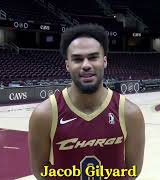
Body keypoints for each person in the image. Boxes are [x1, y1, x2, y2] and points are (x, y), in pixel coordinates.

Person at [28, 24, 145, 180]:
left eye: (93, 57)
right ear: (67, 65)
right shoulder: (44, 115)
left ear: (104, 61)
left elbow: (132, 171)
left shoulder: (130, 113)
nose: (86, 65)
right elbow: (41, 172)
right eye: (77, 59)